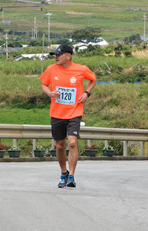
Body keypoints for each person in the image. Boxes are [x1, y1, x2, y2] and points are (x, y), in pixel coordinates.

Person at [39, 44, 97, 188]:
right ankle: (63, 173)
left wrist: (87, 93)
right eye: (55, 55)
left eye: (59, 55)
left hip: (75, 111)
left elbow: (93, 79)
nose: (56, 57)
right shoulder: (51, 69)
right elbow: (44, 85)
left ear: (68, 56)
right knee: (59, 145)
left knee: (72, 142)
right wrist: (50, 93)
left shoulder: (81, 69)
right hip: (57, 113)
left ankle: (71, 176)